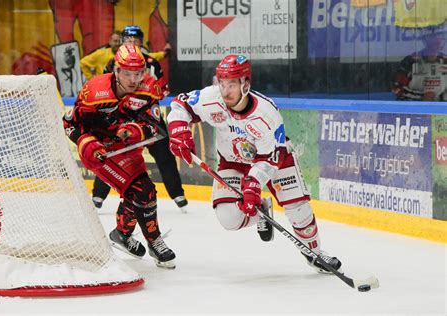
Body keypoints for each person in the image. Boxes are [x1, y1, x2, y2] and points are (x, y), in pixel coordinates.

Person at [166, 54, 342, 274]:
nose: (225, 90)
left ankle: (314, 252)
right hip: (232, 161)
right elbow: (180, 105)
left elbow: (270, 158)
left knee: (298, 209)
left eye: (231, 84)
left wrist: (253, 183)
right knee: (229, 218)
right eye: (221, 83)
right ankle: (262, 211)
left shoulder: (267, 113)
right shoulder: (211, 98)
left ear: (245, 84)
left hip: (273, 159)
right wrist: (178, 129)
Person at [63, 43, 176, 269]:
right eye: (127, 73)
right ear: (116, 70)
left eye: (138, 73)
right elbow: (69, 123)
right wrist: (86, 143)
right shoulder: (94, 91)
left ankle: (122, 234)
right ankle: (154, 240)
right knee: (142, 191)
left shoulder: (149, 89)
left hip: (127, 149)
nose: (133, 79)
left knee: (141, 192)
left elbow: (156, 127)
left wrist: (136, 131)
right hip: (99, 152)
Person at [91, 25, 188, 213]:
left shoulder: (152, 62)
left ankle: (177, 194)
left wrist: (147, 99)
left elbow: (162, 89)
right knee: (110, 151)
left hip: (148, 115)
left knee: (164, 153)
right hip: (122, 116)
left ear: (141, 42)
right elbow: (106, 88)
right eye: (129, 40)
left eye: (136, 40)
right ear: (123, 41)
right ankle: (97, 195)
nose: (133, 43)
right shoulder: (114, 63)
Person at [392, 25, 447, 101]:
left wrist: (439, 99)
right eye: (433, 38)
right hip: (412, 109)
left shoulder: (445, 61)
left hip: (440, 110)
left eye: (441, 37)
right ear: (425, 40)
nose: (438, 41)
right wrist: (422, 97)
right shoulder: (410, 61)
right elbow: (397, 88)